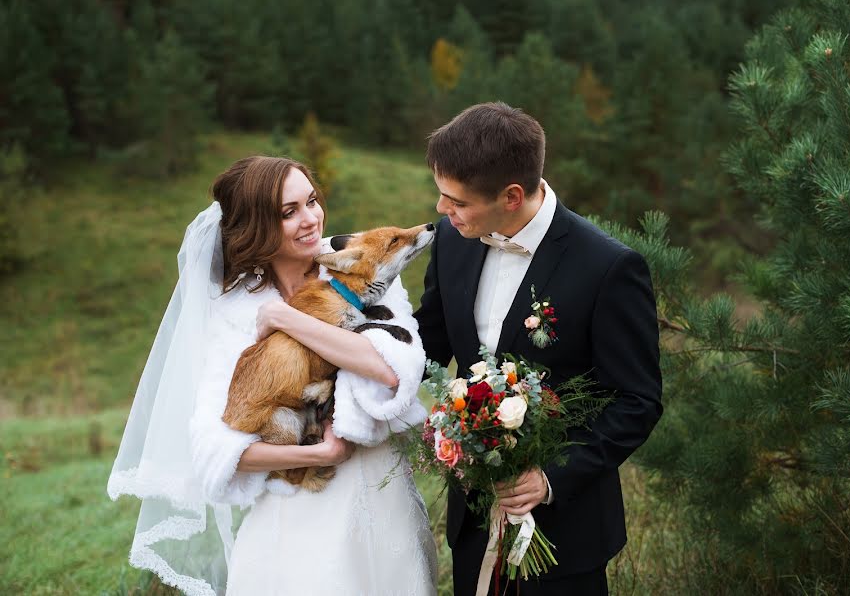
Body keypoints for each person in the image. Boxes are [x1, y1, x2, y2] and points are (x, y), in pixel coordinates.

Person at [108, 156, 438, 596]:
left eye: (312, 201)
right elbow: (215, 453)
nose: (311, 220)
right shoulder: (232, 313)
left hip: (381, 495)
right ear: (257, 227)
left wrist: (288, 318)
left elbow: (392, 370)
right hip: (294, 513)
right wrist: (316, 457)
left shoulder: (360, 270)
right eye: (289, 212)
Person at [414, 103, 663, 595]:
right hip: (474, 518)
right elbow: (429, 341)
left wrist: (550, 477)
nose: (443, 211)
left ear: (511, 196)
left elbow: (637, 401)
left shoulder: (608, 268)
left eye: (456, 201)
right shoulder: (452, 238)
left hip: (564, 534)